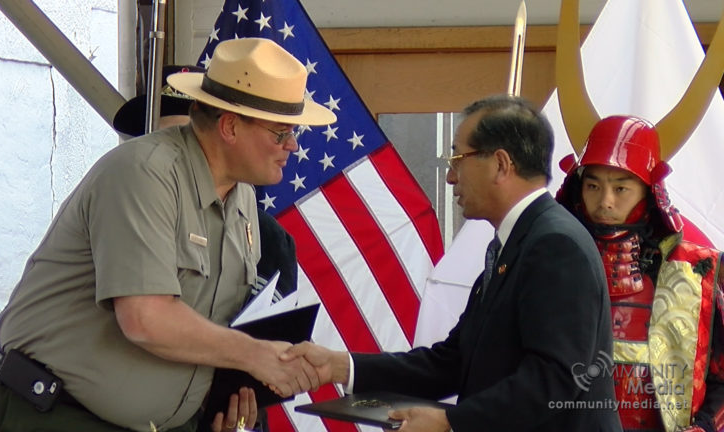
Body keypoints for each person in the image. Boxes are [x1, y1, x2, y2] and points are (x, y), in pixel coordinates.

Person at [0, 37, 335, 432]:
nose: (292, 145)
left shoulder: (244, 201)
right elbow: (145, 318)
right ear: (230, 126)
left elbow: (216, 327)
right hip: (58, 409)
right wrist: (256, 355)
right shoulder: (145, 172)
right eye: (279, 132)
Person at [283, 94, 621, 431]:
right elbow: (455, 361)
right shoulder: (518, 240)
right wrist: (341, 366)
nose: (450, 177)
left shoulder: (554, 244)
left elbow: (554, 379)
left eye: (458, 159)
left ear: (501, 164)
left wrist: (450, 422)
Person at [110, 63, 299, 432]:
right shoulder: (128, 192)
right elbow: (141, 319)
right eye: (174, 139)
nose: (185, 158)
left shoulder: (261, 230)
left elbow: (262, 340)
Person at [555, 115, 724, 432]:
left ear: (649, 192)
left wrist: (703, 427)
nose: (605, 201)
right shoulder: (547, 266)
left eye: (621, 188)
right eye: (593, 186)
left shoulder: (695, 272)